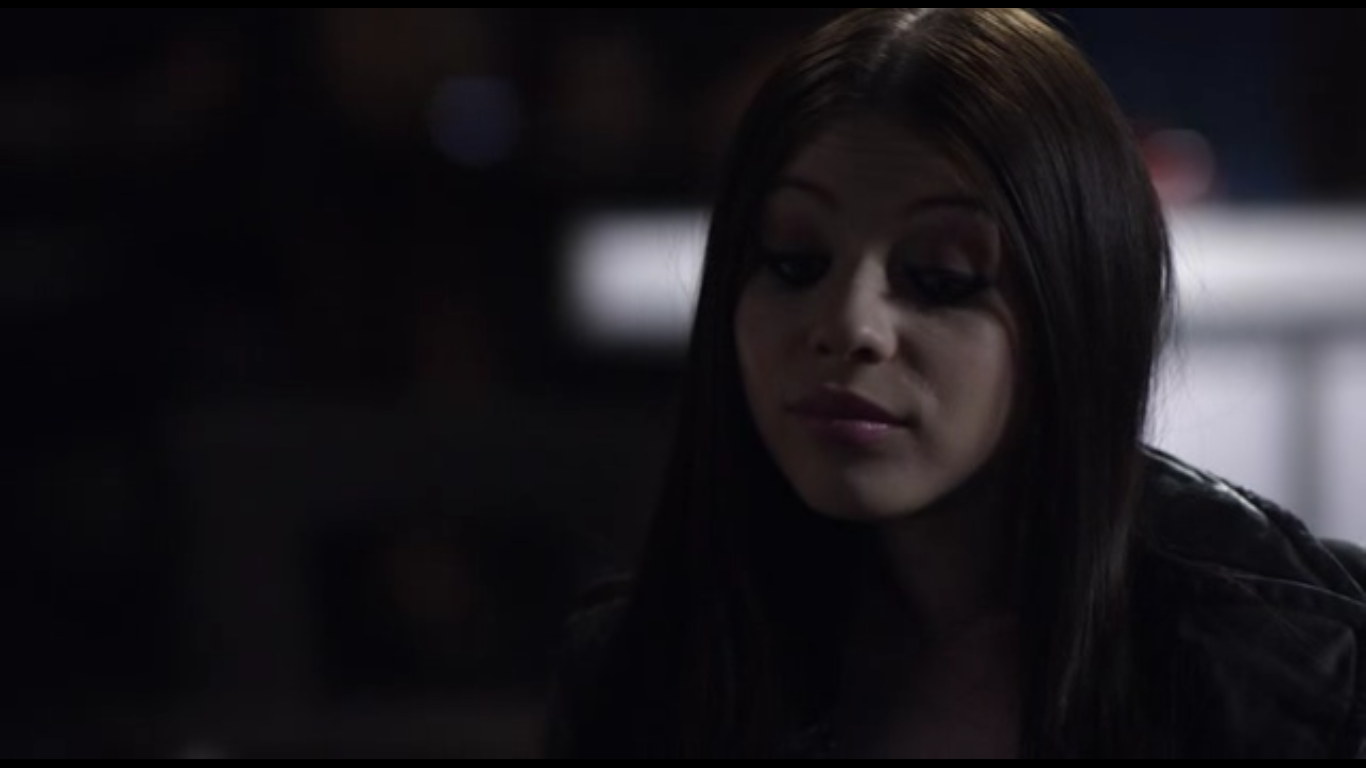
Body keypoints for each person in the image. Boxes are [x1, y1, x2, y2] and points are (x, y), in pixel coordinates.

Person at [541, 7, 1366, 759]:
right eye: (793, 263)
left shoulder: (1301, 667)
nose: (850, 325)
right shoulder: (644, 673)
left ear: (1075, 306)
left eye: (940, 278)